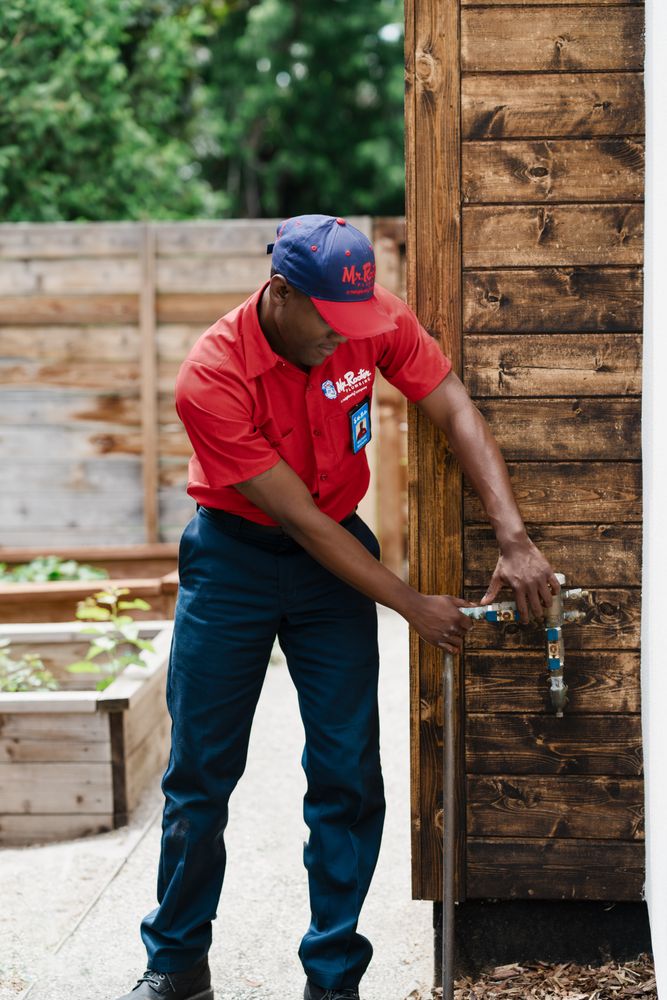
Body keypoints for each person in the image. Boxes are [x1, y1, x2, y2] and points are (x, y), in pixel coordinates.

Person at [115, 214, 559, 1000]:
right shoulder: (212, 376)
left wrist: (513, 533)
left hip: (334, 564)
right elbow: (299, 522)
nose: (343, 338)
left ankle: (332, 979)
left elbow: (452, 406)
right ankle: (177, 961)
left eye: (354, 321)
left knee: (348, 773)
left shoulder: (362, 313)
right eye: (326, 320)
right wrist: (410, 606)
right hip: (235, 558)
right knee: (200, 774)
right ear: (281, 292)